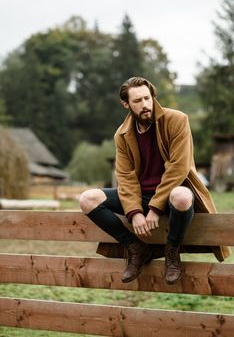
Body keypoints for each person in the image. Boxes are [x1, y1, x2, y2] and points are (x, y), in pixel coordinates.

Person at [79, 77, 231, 285]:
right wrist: (134, 212)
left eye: (147, 98)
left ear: (153, 97)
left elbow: (179, 168)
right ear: (126, 104)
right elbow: (125, 177)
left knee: (182, 196)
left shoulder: (177, 120)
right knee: (88, 199)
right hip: (140, 196)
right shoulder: (122, 134)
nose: (145, 105)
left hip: (172, 193)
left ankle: (172, 252)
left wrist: (154, 209)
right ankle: (136, 248)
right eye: (137, 101)